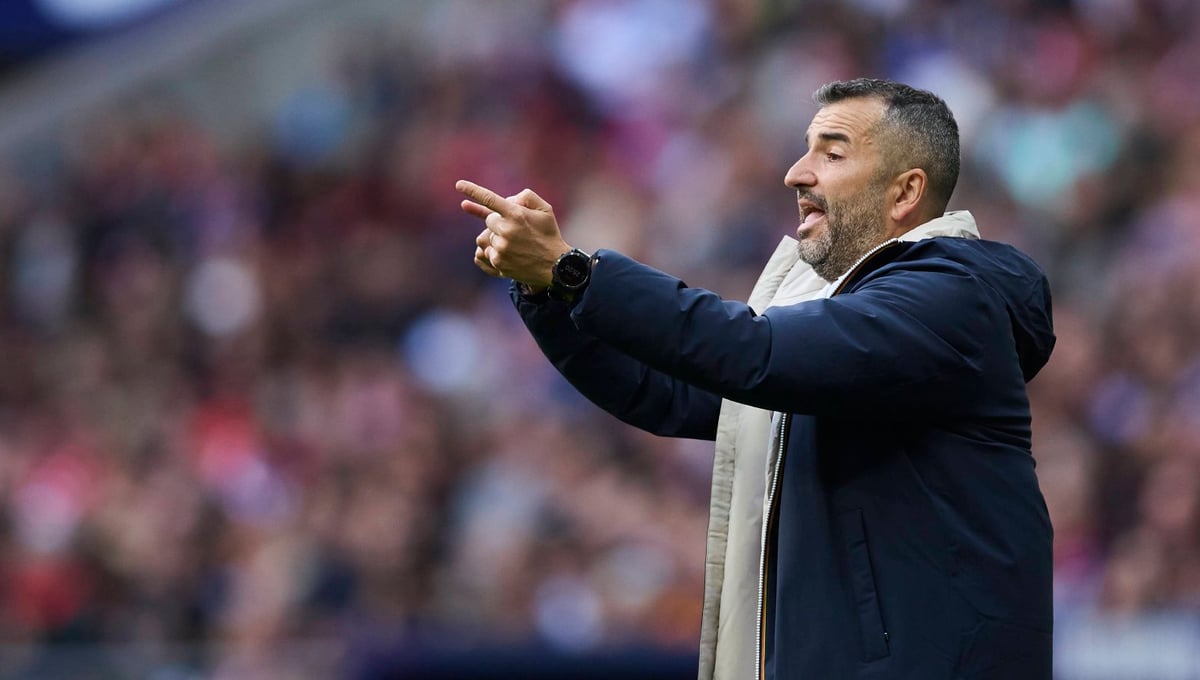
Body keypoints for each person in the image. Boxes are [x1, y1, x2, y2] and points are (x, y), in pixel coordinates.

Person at [456, 78, 1055, 680]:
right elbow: (664, 394)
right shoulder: (854, 326)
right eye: (806, 148)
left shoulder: (949, 297)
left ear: (905, 192)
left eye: (832, 153)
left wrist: (575, 272)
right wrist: (548, 290)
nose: (796, 173)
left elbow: (752, 351)